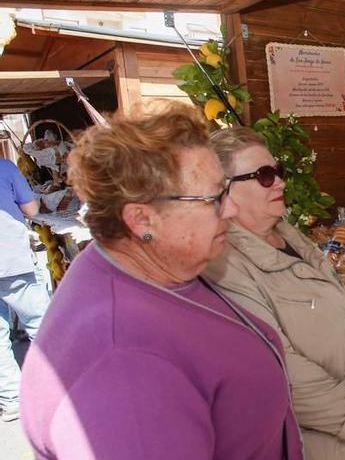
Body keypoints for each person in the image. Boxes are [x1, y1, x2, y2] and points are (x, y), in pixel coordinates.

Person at [20, 103, 305, 460]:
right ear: (142, 219)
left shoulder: (159, 268)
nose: (230, 210)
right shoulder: (123, 368)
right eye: (213, 198)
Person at [204, 127, 345, 460]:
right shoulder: (225, 266)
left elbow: (338, 315)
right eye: (264, 175)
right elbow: (279, 369)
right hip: (306, 446)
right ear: (225, 191)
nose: (280, 182)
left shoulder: (289, 235)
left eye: (279, 172)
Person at [0, 158, 51, 423]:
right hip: (10, 258)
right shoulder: (5, 167)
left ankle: (11, 400)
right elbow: (31, 209)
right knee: (39, 322)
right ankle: (53, 389)